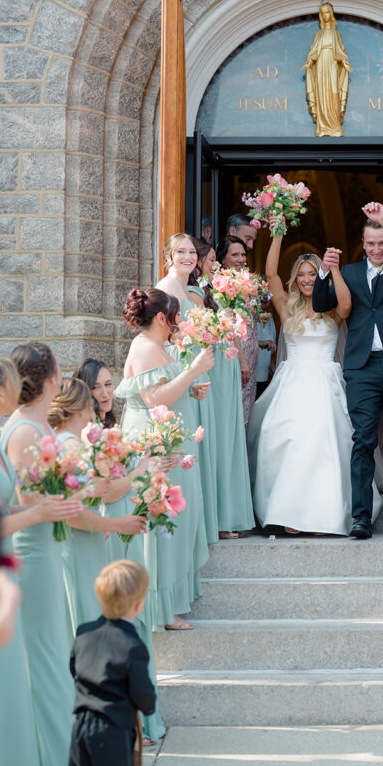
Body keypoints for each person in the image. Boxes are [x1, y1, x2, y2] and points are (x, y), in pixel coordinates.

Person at [0, 354, 81, 766]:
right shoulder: (11, 435)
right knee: (32, 672)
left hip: (26, 559)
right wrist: (43, 511)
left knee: (43, 667)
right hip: (12, 564)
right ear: (0, 391)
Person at [248, 234, 383, 535]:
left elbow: (348, 305)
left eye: (312, 273)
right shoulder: (285, 306)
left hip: (325, 382)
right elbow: (270, 274)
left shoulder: (332, 309)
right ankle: (288, 512)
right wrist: (280, 231)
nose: (307, 280)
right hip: (292, 382)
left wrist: (332, 270)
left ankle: (325, 514)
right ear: (295, 279)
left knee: (326, 444)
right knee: (281, 440)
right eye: (302, 275)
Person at [313, 201, 383, 538]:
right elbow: (320, 303)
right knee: (362, 439)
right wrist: (323, 272)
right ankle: (361, 518)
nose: (377, 250)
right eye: (371, 244)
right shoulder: (352, 273)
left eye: (382, 244)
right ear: (362, 245)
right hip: (361, 368)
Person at [117, 287, 211, 630]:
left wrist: (190, 387)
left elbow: (168, 390)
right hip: (154, 446)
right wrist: (193, 371)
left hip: (171, 442)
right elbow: (155, 401)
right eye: (175, 315)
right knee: (159, 526)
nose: (180, 321)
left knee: (179, 520)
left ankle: (170, 600)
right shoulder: (144, 349)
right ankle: (157, 609)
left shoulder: (158, 348)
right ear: (161, 318)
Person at [50, 377, 147, 638]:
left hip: (79, 540)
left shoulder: (57, 441)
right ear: (82, 409)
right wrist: (116, 524)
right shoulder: (73, 449)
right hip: (78, 544)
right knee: (85, 618)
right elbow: (70, 511)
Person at [66, 559, 157, 766]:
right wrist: (148, 706)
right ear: (138, 605)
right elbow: (141, 691)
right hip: (113, 729)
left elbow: (75, 669)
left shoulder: (84, 633)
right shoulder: (132, 645)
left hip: (81, 727)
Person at [158, 232, 219, 544]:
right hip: (177, 374)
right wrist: (184, 377)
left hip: (191, 371)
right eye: (180, 252)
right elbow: (164, 340)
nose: (187, 257)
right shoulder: (167, 288)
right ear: (169, 256)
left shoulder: (185, 287)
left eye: (192, 252)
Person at [212, 237, 256, 538]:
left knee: (247, 419)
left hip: (250, 354)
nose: (240, 259)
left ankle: (242, 496)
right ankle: (232, 503)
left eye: (243, 254)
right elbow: (227, 324)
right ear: (223, 259)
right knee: (235, 425)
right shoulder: (220, 286)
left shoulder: (245, 282)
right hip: (234, 358)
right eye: (235, 254)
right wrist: (240, 358)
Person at [303, 2, 351, 137]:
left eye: (327, 12)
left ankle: (335, 125)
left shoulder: (336, 33)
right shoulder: (319, 34)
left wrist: (344, 61)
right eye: (323, 13)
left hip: (333, 64)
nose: (325, 15)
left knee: (334, 92)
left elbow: (341, 51)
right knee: (322, 94)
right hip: (321, 66)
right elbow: (313, 51)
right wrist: (309, 61)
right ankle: (323, 126)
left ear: (331, 14)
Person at [74, 358, 117, 427]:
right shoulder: (82, 429)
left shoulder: (110, 423)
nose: (105, 394)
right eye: (95, 387)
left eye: (108, 384)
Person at [255, 292, 276, 400]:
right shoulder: (246, 317)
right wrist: (261, 343)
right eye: (260, 293)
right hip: (248, 377)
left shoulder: (270, 319)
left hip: (264, 378)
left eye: (268, 294)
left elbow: (270, 353)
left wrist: (275, 374)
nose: (264, 297)